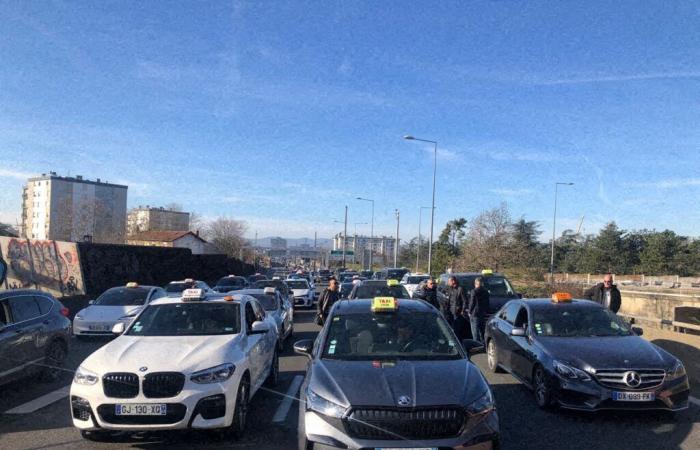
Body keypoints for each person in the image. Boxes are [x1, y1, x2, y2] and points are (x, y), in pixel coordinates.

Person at [467, 277, 490, 343]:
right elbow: (487, 303)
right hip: (482, 313)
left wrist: (469, 311)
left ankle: (476, 345)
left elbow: (472, 302)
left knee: (475, 332)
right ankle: (484, 344)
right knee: (482, 331)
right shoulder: (486, 291)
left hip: (475, 314)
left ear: (475, 283)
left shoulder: (474, 291)